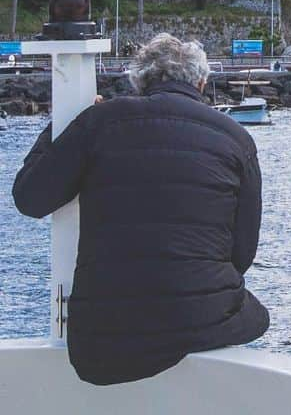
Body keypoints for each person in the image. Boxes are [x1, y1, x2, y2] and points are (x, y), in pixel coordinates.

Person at [11, 33, 269, 386]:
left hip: (101, 342)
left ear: (139, 80)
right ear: (202, 82)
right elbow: (242, 254)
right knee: (258, 316)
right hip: (203, 319)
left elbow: (30, 198)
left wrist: (60, 128)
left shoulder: (99, 122)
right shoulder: (237, 139)